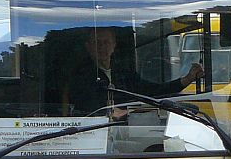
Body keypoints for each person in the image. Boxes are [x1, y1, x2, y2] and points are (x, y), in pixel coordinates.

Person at [62, 29, 203, 117]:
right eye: (97, 43)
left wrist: (186, 79)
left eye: (106, 42)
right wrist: (107, 112)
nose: (102, 47)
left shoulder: (123, 73)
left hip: (128, 128)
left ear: (114, 45)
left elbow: (151, 91)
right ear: (88, 46)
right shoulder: (79, 75)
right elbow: (81, 104)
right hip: (94, 131)